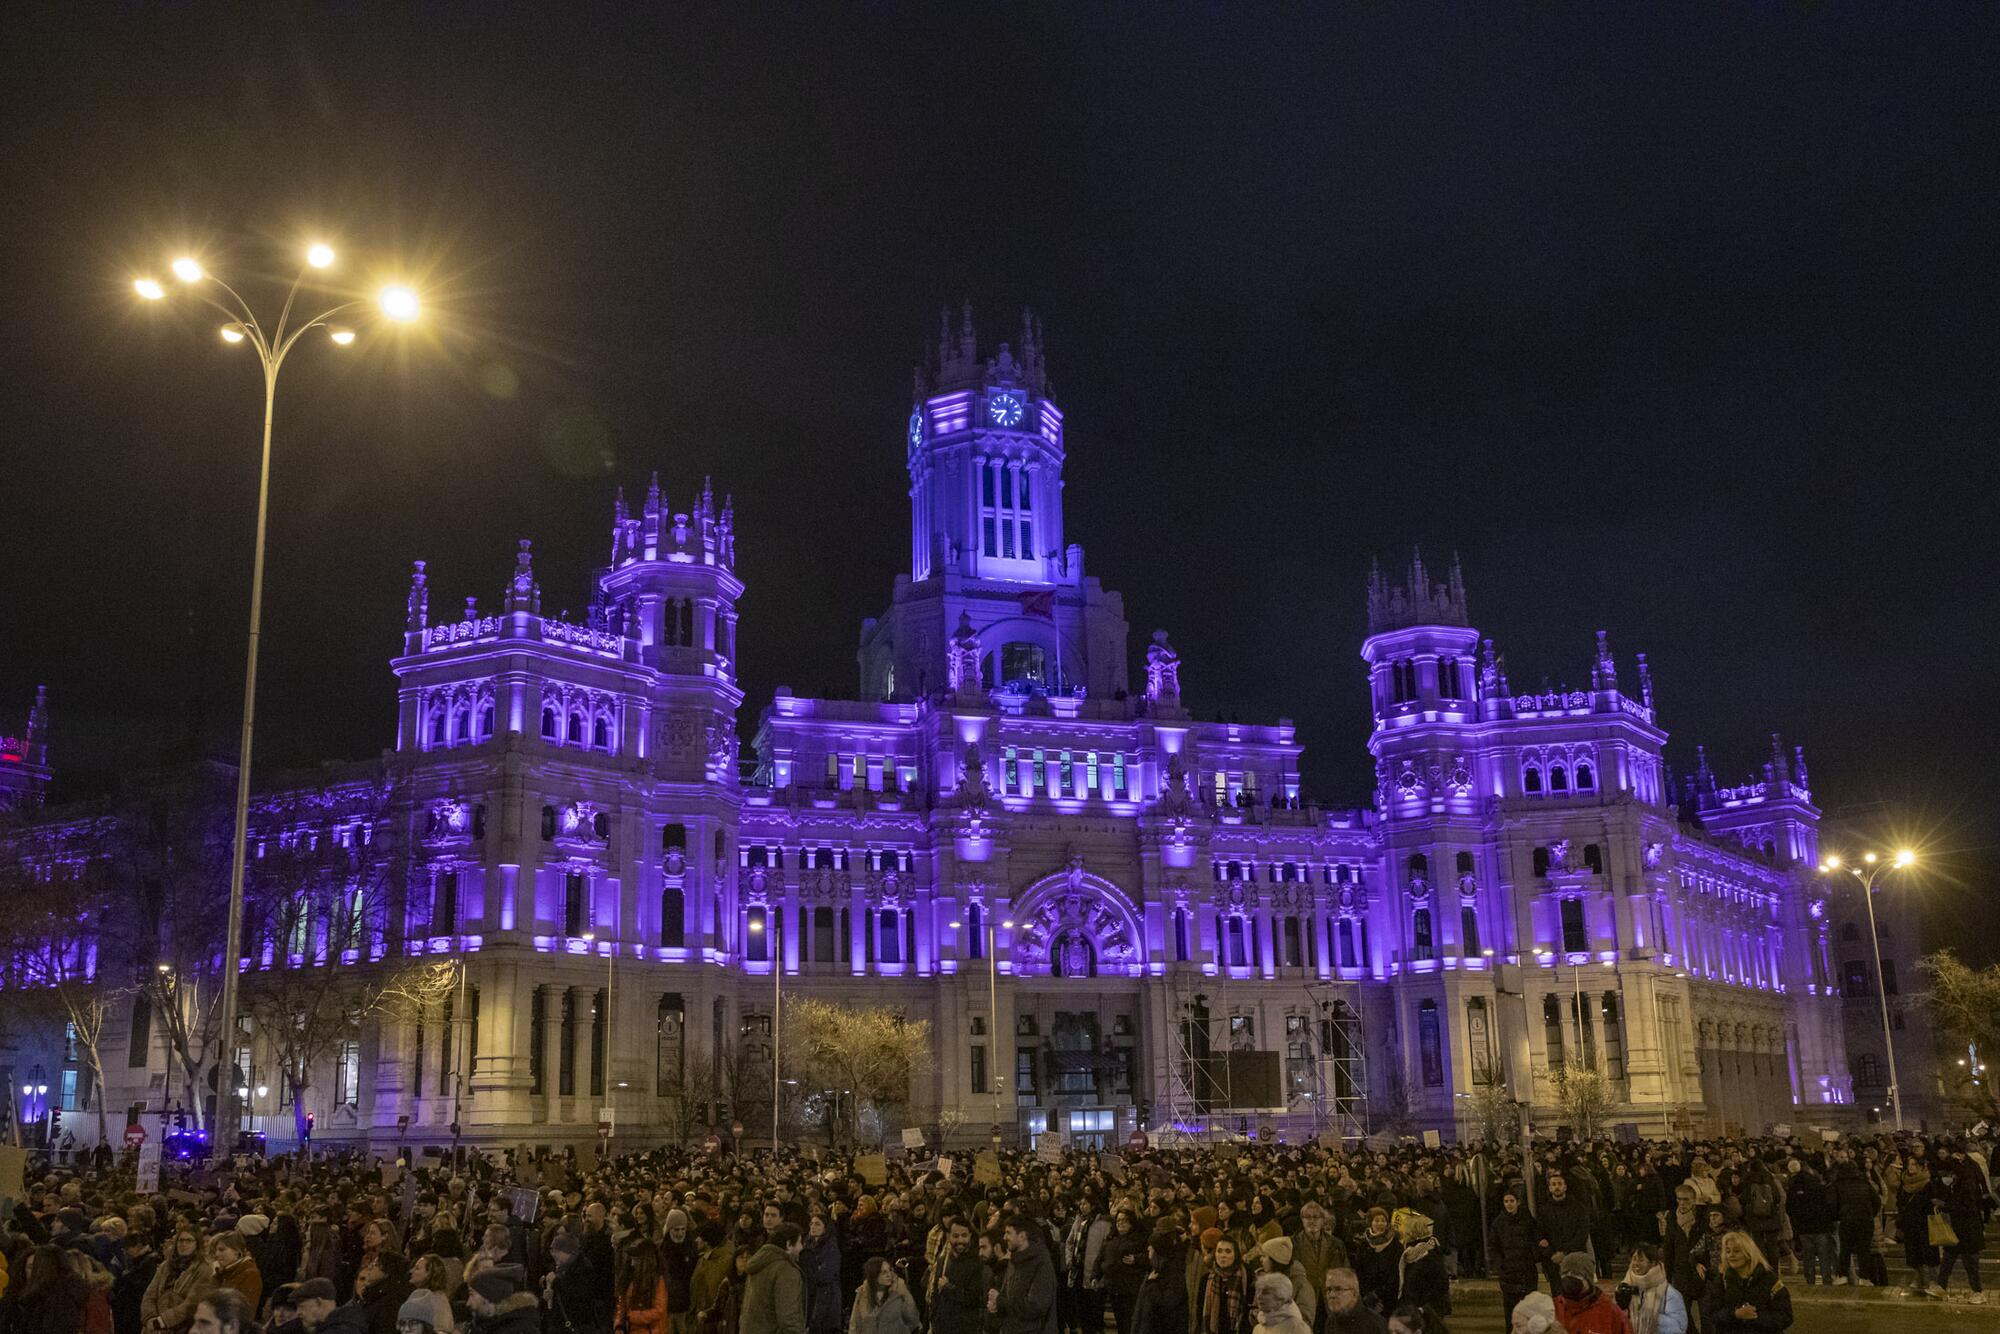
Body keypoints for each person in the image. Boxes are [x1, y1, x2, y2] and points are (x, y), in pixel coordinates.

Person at [1700, 1232, 1792, 1332]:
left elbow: (1786, 1316)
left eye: (1736, 1251)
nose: (1731, 1255)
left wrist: (1755, 1317)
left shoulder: (1769, 1279)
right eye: (1728, 1251)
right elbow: (1711, 1313)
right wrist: (1734, 1314)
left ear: (1748, 1252)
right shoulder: (1721, 1280)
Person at [991, 1216, 1058, 1334]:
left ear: (1022, 1236)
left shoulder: (1041, 1263)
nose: (1004, 1237)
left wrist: (1001, 1302)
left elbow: (1036, 1306)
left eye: (1008, 1233)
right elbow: (1007, 1293)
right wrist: (997, 1307)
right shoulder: (1014, 1259)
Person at [1933, 1156, 1987, 1302]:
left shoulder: (1967, 1185)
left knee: (1970, 1262)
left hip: (1969, 1229)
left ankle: (1978, 1291)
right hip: (1958, 1228)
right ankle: (1941, 1286)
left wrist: (1945, 1206)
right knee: (1948, 1258)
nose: (1945, 1177)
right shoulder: (1956, 1185)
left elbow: (1968, 1208)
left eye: (1946, 1174)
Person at [141, 1230, 213, 1334]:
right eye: (181, 1240)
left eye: (189, 1240)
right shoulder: (166, 1266)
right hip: (154, 1326)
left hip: (181, 1328)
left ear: (197, 1244)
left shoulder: (203, 1269)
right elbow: (150, 1294)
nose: (184, 1244)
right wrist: (150, 1318)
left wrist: (162, 1321)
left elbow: (192, 1303)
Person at [1485, 1187, 1537, 1328]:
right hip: (1509, 1272)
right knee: (1511, 1312)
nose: (1509, 1204)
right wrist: (1500, 1266)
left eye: (1511, 1201)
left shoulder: (1527, 1220)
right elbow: (1493, 1247)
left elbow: (1534, 1239)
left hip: (1526, 1270)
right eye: (1506, 1201)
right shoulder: (1498, 1223)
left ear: (1518, 1202)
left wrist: (1533, 1256)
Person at [740, 1223, 807, 1334]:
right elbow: (788, 1317)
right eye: (799, 1242)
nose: (801, 1247)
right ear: (789, 1244)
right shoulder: (786, 1271)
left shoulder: (759, 1263)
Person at [929, 1220, 987, 1334]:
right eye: (955, 1236)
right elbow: (935, 1294)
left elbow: (973, 1299)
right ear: (948, 1236)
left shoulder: (977, 1263)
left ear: (970, 1236)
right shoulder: (943, 1261)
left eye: (964, 1235)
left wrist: (948, 1288)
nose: (960, 1240)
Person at [1612, 1245, 1685, 1334]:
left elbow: (1679, 1328)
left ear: (1653, 1263)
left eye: (1641, 1260)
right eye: (1634, 1259)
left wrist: (1651, 1317)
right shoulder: (1624, 1287)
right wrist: (1621, 1308)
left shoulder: (1669, 1293)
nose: (1636, 1263)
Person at [1552, 1252, 1629, 1334]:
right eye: (1565, 1273)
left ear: (1588, 1278)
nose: (1569, 1276)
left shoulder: (1609, 1311)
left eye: (1576, 1273)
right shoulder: (1553, 1309)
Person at [1387, 1214, 1444, 1318]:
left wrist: (1422, 1308)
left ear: (1413, 1231)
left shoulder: (1429, 1254)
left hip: (1424, 1312)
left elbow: (1440, 1284)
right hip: (1411, 1308)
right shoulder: (1410, 1254)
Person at [1194, 1237, 1252, 1334]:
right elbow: (1200, 1311)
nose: (1223, 1255)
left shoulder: (1246, 1278)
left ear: (1236, 1255)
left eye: (1228, 1251)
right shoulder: (1206, 1279)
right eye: (1219, 1251)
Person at [847, 1257, 918, 1334]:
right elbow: (855, 1324)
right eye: (884, 1272)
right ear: (874, 1276)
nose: (889, 1275)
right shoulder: (863, 1293)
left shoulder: (899, 1291)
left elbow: (912, 1319)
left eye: (890, 1270)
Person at [1349, 1211, 1399, 1316]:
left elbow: (1394, 1275)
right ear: (1370, 1223)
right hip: (1366, 1297)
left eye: (1383, 1221)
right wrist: (1366, 1295)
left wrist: (1377, 1295)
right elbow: (1358, 1270)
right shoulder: (1364, 1243)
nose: (1380, 1223)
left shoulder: (1395, 1245)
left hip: (1386, 1298)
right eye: (1377, 1220)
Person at [465, 1267, 540, 1334]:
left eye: (472, 1295)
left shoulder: (521, 1329)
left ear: (488, 1296)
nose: (468, 1303)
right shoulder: (481, 1325)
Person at [800, 1217, 842, 1334]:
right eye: (811, 1224)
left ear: (826, 1228)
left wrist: (811, 1274)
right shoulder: (807, 1244)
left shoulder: (831, 1247)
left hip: (826, 1294)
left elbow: (828, 1272)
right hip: (812, 1292)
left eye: (817, 1224)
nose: (813, 1227)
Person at [616, 1240, 669, 1334]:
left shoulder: (658, 1281)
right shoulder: (629, 1278)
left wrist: (633, 1317)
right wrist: (619, 1324)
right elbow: (622, 1302)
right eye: (631, 1259)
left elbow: (659, 1311)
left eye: (636, 1260)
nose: (632, 1263)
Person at [211, 1233, 264, 1318]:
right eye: (216, 1250)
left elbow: (245, 1312)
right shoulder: (225, 1272)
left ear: (237, 1251)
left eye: (222, 1250)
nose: (217, 1254)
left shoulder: (250, 1275)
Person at [1318, 1268, 1383, 1334]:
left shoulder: (1374, 1324)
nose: (1331, 1295)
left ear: (1354, 1293)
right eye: (1329, 1290)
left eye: (1338, 1289)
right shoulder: (1330, 1322)